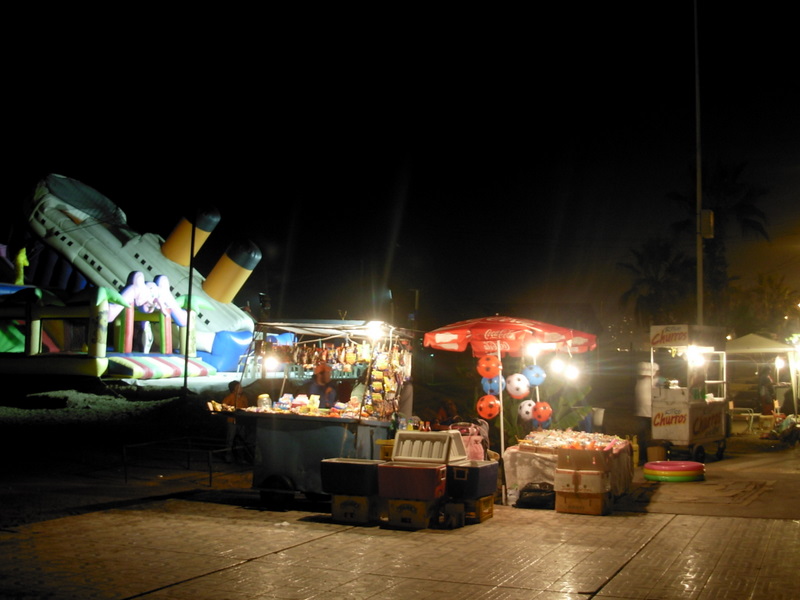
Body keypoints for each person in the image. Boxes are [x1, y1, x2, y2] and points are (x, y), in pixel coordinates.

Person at [634, 362, 659, 465]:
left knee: (642, 436)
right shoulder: (653, 381)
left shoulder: (639, 381)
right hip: (650, 414)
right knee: (650, 436)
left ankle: (642, 457)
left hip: (641, 413)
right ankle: (650, 457)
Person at [222, 381, 250, 463]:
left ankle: (240, 458)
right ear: (234, 389)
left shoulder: (244, 397)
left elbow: (246, 407)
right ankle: (228, 456)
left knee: (241, 439)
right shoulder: (231, 397)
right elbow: (223, 405)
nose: (241, 388)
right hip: (232, 421)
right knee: (230, 439)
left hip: (241, 421)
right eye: (239, 387)